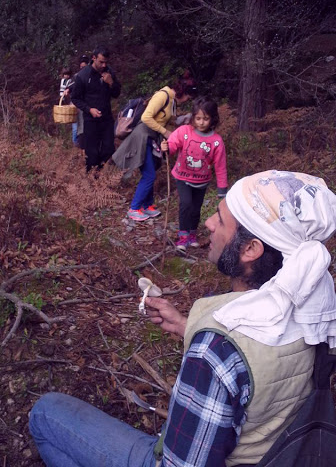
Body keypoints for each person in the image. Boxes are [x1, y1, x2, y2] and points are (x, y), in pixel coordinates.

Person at [29, 170, 336, 467]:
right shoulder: (316, 310)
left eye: (220, 219)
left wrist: (207, 342)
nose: (209, 222)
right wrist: (185, 324)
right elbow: (261, 362)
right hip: (276, 453)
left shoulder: (215, 352)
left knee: (45, 413)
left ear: (251, 249)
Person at [113, 74, 197, 222]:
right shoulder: (163, 96)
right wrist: (165, 132)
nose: (187, 100)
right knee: (149, 174)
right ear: (183, 92)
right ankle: (134, 208)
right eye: (188, 97)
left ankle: (147, 205)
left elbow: (169, 120)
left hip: (151, 139)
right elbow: (146, 117)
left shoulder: (172, 101)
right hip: (142, 137)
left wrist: (186, 120)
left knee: (151, 172)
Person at [161, 97, 227, 251]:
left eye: (205, 119)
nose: (201, 122)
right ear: (193, 118)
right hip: (182, 177)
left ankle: (192, 234)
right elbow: (173, 144)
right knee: (186, 204)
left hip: (202, 181)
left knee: (196, 208)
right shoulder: (184, 132)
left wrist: (222, 191)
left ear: (212, 119)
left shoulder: (216, 141)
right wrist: (167, 148)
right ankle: (183, 237)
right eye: (198, 118)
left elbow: (220, 166)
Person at [71, 46, 121, 171]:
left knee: (109, 149)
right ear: (93, 58)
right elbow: (75, 98)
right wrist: (89, 109)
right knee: (92, 153)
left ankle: (101, 173)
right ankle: (92, 179)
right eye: (101, 62)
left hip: (106, 119)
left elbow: (116, 94)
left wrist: (111, 83)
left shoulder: (109, 72)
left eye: (106, 62)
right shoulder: (83, 76)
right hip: (90, 120)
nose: (104, 65)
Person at [73, 55, 90, 152]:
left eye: (84, 67)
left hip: (90, 106)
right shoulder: (77, 76)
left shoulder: (93, 76)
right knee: (80, 128)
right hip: (81, 106)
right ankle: (81, 149)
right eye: (81, 67)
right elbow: (73, 89)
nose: (83, 69)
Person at [59, 67, 79, 147]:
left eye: (67, 74)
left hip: (75, 100)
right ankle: (75, 142)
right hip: (70, 101)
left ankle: (78, 141)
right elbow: (62, 91)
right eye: (65, 74)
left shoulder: (73, 80)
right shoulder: (64, 81)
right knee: (75, 124)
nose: (66, 76)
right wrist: (63, 99)